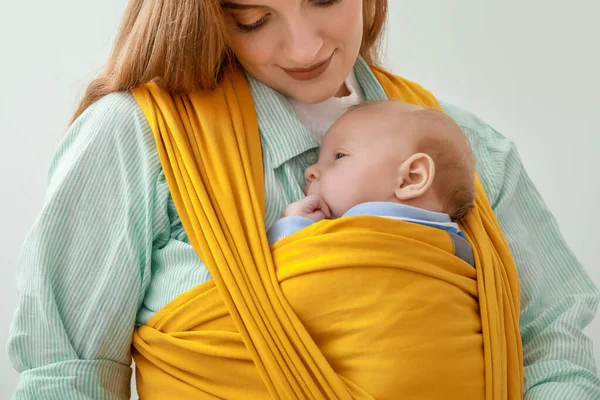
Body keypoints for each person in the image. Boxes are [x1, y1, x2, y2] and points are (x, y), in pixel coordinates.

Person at [7, 0, 599, 399]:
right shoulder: (136, 138)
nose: (305, 44)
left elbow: (552, 340)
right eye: (255, 17)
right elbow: (65, 372)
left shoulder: (467, 148)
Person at [267, 100, 475, 264]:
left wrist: (292, 227)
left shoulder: (355, 234)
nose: (310, 171)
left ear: (411, 178)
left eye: (339, 156)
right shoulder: (461, 250)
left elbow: (296, 268)